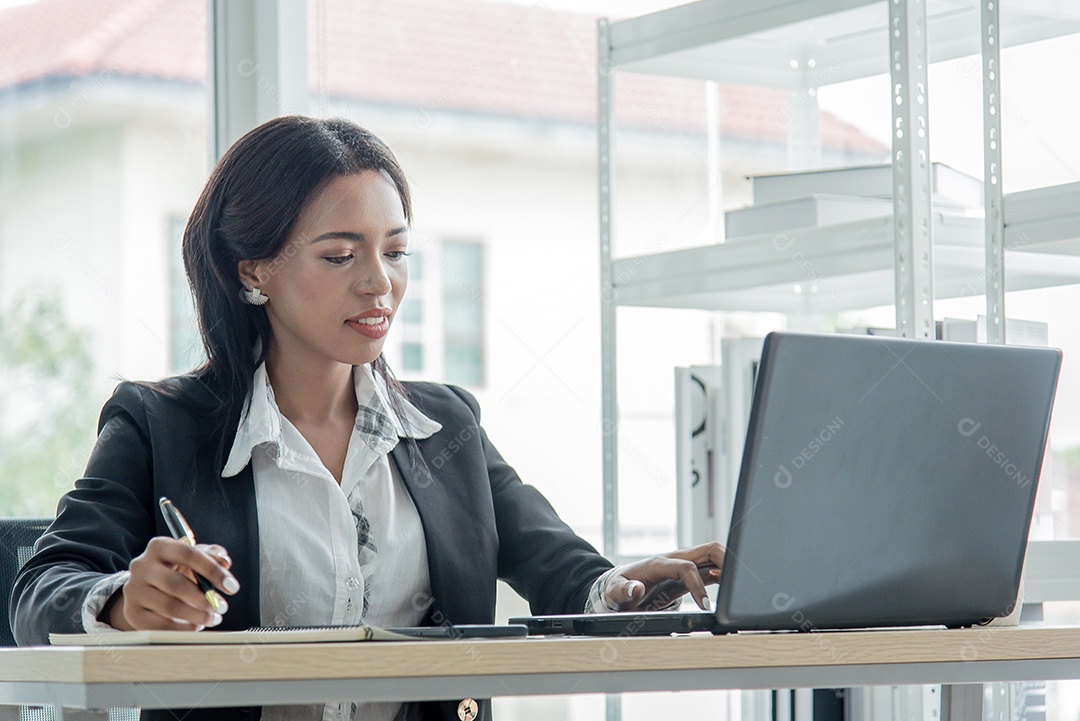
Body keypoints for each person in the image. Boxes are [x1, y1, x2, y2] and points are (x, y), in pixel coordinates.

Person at [10, 116, 724, 721]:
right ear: (251, 269)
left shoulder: (445, 426)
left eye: (396, 251)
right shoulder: (159, 424)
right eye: (340, 254)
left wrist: (625, 593)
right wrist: (124, 604)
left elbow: (564, 573)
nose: (379, 282)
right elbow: (40, 588)